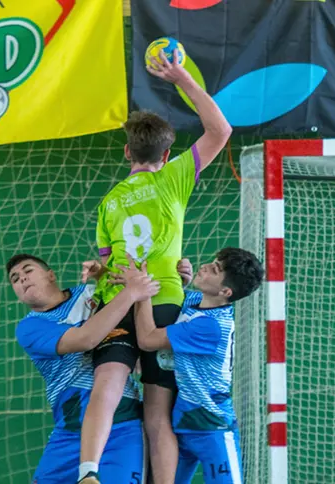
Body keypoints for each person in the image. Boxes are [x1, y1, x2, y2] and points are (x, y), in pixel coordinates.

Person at [79, 48, 233, 484]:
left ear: (127, 151)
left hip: (116, 305)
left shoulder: (109, 202)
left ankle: (89, 470)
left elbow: (108, 265)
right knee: (157, 416)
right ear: (166, 156)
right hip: (163, 301)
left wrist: (99, 275)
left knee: (107, 388)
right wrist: (181, 77)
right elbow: (220, 129)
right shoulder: (172, 178)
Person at [116, 248, 264, 484]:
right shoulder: (195, 302)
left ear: (225, 291)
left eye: (215, 269)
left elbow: (147, 340)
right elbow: (173, 307)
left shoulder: (212, 326)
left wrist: (141, 293)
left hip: (212, 427)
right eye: (212, 262)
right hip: (183, 422)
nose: (205, 266)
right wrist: (180, 282)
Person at [7, 253, 158, 483]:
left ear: (51, 275)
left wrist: (179, 278)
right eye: (15, 279)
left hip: (123, 422)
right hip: (71, 428)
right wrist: (130, 293)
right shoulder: (30, 327)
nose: (22, 279)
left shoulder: (91, 293)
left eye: (28, 271)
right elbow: (86, 339)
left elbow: (144, 302)